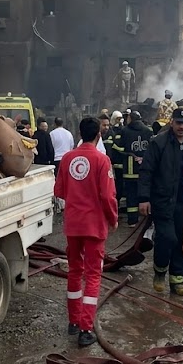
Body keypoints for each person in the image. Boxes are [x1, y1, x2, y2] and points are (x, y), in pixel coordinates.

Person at [54, 116, 118, 347]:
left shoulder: (67, 159)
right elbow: (107, 196)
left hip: (73, 225)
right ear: (99, 135)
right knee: (92, 275)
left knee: (74, 271)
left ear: (79, 134)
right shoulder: (102, 160)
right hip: (94, 226)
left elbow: (59, 191)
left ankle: (73, 321)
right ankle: (85, 329)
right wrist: (113, 218)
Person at [139, 107, 183, 296]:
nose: (182, 127)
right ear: (171, 122)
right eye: (178, 123)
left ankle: (177, 279)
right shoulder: (158, 142)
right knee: (167, 237)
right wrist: (144, 198)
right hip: (163, 200)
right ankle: (160, 271)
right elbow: (147, 171)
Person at [119, 109, 154, 226]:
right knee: (146, 193)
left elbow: (120, 148)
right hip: (145, 169)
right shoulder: (148, 130)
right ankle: (147, 220)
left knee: (131, 196)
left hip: (130, 170)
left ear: (130, 118)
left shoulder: (125, 131)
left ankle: (132, 221)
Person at [108, 110, 126, 200]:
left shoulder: (119, 131)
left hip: (118, 160)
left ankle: (118, 198)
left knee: (119, 181)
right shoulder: (112, 131)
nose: (120, 120)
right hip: (117, 160)